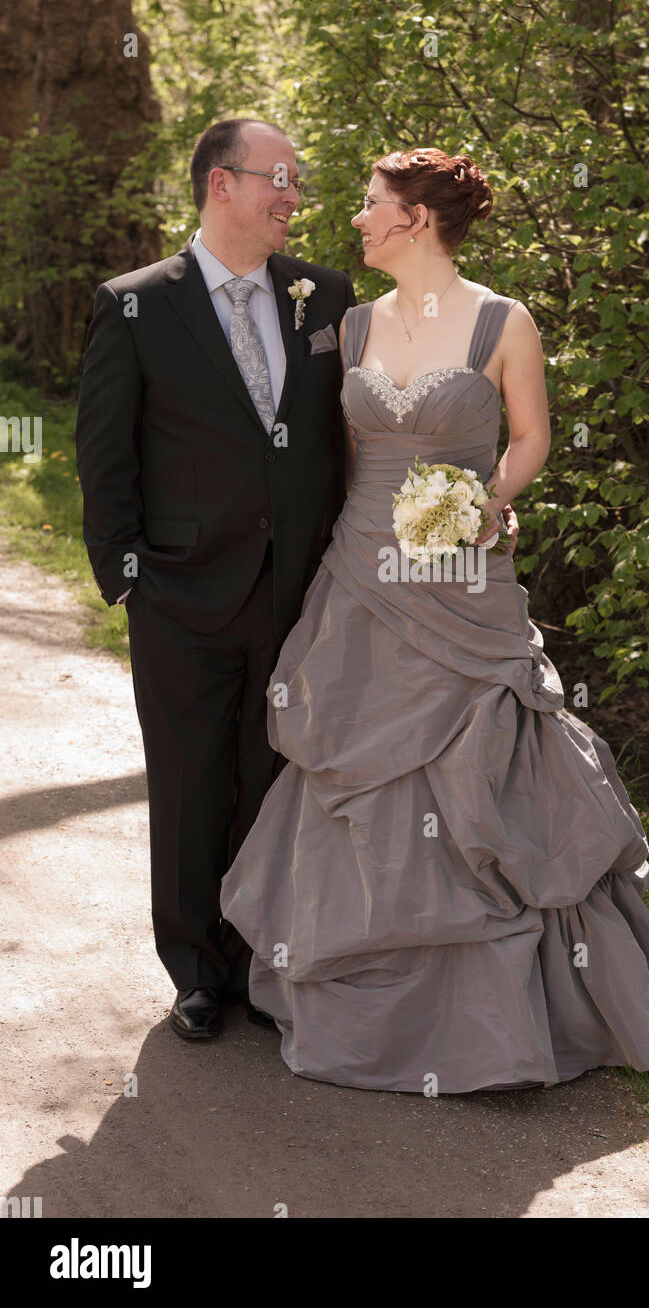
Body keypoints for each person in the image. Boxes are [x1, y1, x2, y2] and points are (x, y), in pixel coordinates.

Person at [220, 146, 649, 1093]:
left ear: (416, 217)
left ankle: (507, 1021)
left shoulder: (505, 320)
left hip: (464, 579)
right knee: (354, 769)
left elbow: (532, 435)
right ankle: (357, 986)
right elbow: (336, 456)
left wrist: (484, 503)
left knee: (478, 768)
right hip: (363, 580)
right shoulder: (353, 320)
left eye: (372, 205)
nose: (357, 219)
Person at [75, 120, 362, 1039]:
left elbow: (350, 438)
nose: (293, 194)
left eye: (297, 179)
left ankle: (264, 964)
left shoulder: (326, 298)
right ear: (219, 186)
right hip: (180, 591)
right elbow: (104, 454)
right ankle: (197, 972)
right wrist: (127, 575)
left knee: (274, 777)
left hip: (299, 590)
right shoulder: (134, 305)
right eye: (277, 177)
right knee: (193, 782)